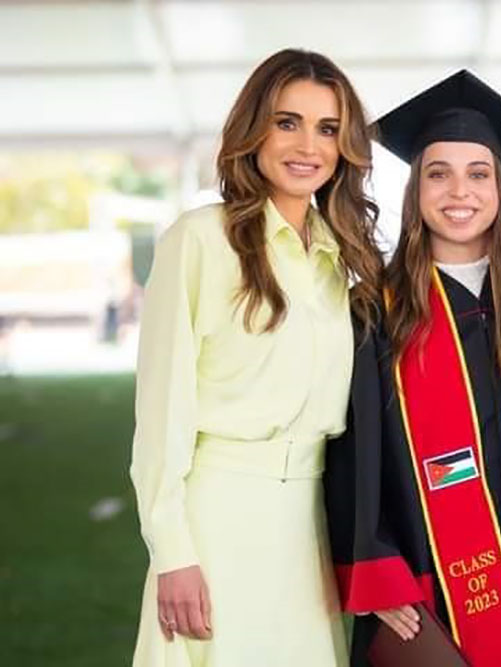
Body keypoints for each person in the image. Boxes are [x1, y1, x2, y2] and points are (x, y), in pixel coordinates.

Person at [129, 49, 382, 667]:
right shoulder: (199, 240)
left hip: (312, 525)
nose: (308, 146)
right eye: (287, 122)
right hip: (220, 516)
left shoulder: (340, 257)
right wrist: (173, 551)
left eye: (328, 128)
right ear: (253, 129)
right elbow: (162, 409)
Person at [325, 70, 501, 667]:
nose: (459, 191)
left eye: (479, 174)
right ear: (415, 190)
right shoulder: (375, 306)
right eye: (438, 174)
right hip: (428, 570)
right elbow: (353, 451)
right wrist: (379, 568)